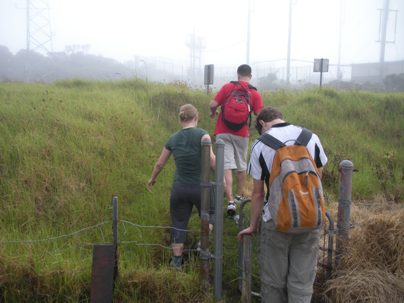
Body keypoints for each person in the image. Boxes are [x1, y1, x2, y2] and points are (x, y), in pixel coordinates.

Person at [238, 106, 328, 303]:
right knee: (302, 283)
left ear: (262, 123)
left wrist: (253, 225)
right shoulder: (311, 137)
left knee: (273, 283)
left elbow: (258, 193)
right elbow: (317, 180)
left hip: (276, 219)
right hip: (310, 218)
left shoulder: (260, 144)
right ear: (280, 118)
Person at [147, 104, 215, 271]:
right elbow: (212, 160)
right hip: (202, 188)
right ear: (196, 118)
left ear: (181, 119)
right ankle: (201, 245)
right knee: (210, 215)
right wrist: (222, 179)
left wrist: (152, 179)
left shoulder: (173, 138)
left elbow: (159, 163)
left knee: (178, 222)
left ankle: (177, 261)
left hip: (180, 188)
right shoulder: (203, 134)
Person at [209, 64, 263, 216]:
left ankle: (230, 201)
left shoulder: (228, 87)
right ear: (250, 76)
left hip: (222, 131)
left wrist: (214, 113)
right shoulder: (254, 93)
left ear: (238, 74)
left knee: (226, 166)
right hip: (241, 133)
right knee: (241, 165)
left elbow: (212, 104)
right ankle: (239, 196)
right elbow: (260, 114)